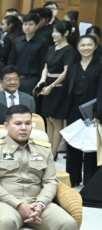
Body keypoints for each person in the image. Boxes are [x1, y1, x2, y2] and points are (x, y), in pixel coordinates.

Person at [0, 105, 80, 230]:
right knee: (5, 222)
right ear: (6, 126)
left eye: (28, 123)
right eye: (18, 123)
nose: (24, 128)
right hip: (7, 203)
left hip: (38, 203)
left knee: (68, 224)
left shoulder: (43, 149)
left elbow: (51, 181)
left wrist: (41, 203)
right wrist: (18, 205)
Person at [35, 21, 79, 155]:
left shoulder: (69, 50)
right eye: (53, 31)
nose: (53, 34)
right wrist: (42, 80)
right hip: (47, 85)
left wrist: (52, 85)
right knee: (48, 120)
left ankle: (53, 152)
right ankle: (47, 149)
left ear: (66, 33)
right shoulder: (51, 48)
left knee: (56, 121)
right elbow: (46, 67)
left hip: (59, 88)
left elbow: (66, 72)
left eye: (56, 32)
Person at [63, 34, 102, 186]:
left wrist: (99, 113)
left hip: (94, 109)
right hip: (74, 108)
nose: (86, 48)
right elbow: (66, 89)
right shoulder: (73, 66)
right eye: (83, 45)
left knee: (92, 146)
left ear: (95, 46)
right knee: (73, 143)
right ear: (77, 48)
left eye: (89, 45)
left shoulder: (100, 64)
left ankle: (90, 181)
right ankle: (73, 178)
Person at [8, 13, 49, 95]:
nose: (27, 27)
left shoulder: (42, 42)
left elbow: (43, 63)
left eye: (30, 24)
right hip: (16, 77)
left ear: (37, 26)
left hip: (33, 79)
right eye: (25, 24)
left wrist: (41, 80)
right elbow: (11, 60)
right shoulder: (17, 41)